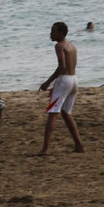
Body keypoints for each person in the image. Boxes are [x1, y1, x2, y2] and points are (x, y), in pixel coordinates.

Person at [38, 22, 84, 156]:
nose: (50, 34)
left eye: (53, 31)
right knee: (65, 113)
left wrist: (48, 82)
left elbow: (61, 66)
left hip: (64, 80)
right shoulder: (72, 45)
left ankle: (45, 149)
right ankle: (79, 145)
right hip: (74, 80)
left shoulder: (59, 46)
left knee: (52, 113)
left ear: (60, 33)